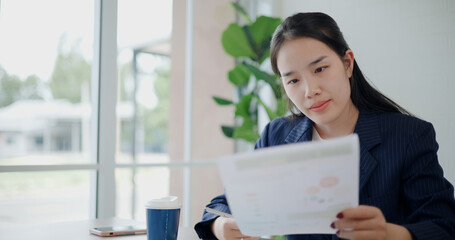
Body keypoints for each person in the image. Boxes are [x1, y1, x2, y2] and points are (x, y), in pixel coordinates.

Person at [194, 12, 455, 240]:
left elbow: (444, 226)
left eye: (319, 69)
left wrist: (391, 234)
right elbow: (222, 205)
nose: (310, 91)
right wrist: (221, 226)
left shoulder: (408, 135)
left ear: (347, 63)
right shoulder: (277, 135)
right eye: (293, 81)